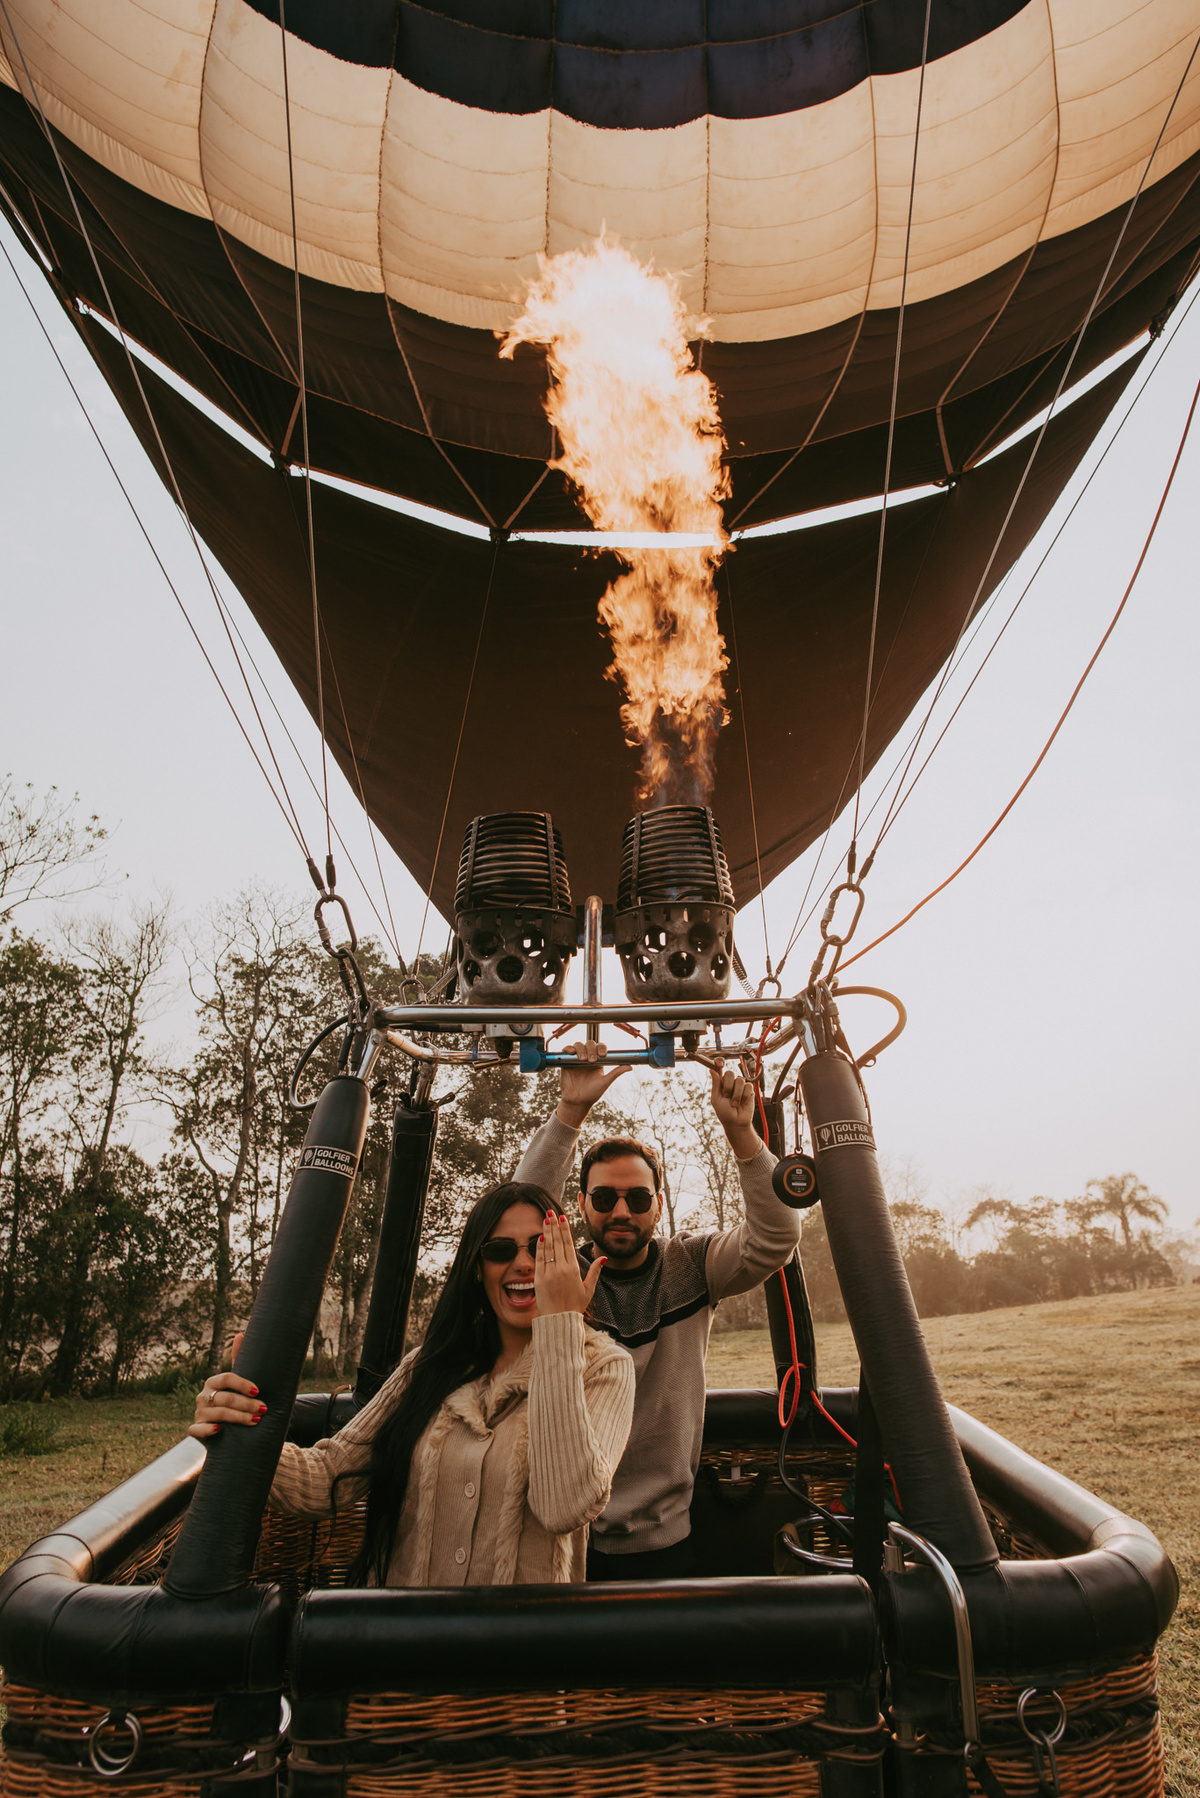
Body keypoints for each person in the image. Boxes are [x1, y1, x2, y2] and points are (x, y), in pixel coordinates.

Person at [189, 1184, 635, 1586]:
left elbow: (565, 1507)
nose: (522, 1263)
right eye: (500, 1250)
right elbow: (329, 1477)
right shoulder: (428, 1366)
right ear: (477, 1269)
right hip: (399, 1649)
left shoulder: (605, 1369)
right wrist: (242, 1429)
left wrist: (561, 1323)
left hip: (517, 1661)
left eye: (541, 1249)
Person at [515, 1049, 800, 1580]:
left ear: (659, 1204)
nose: (621, 1211)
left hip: (669, 1535)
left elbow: (777, 1237)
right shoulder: (558, 1277)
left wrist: (742, 1134)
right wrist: (569, 1114)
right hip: (564, 1534)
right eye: (604, 1197)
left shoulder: (692, 1265)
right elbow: (514, 1212)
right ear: (580, 1205)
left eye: (637, 1198)